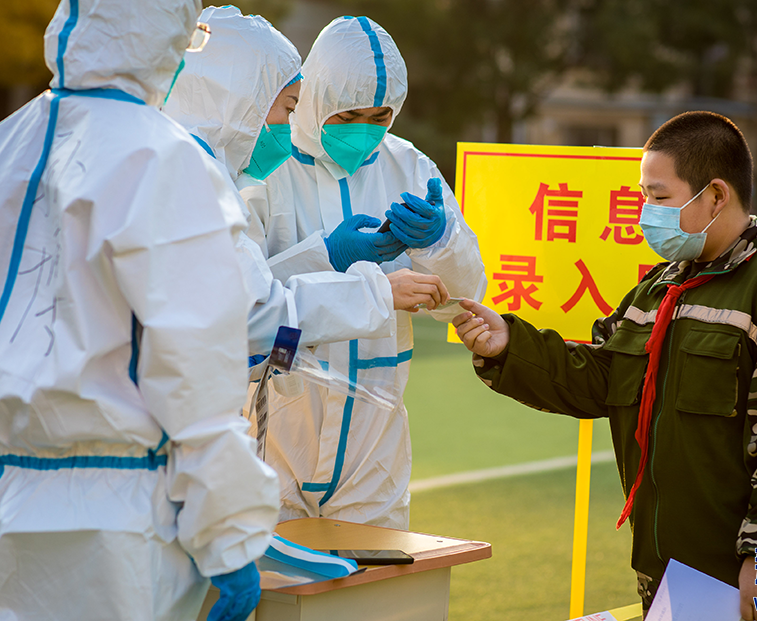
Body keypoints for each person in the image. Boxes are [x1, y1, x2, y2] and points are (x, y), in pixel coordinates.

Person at [454, 111, 757, 621]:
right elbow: (600, 377)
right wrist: (509, 345)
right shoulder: (658, 289)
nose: (646, 212)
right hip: (670, 574)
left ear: (716, 195)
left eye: (659, 197)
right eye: (643, 196)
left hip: (751, 580)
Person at [0, 1, 280, 620]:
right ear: (163, 32)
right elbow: (194, 366)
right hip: (118, 520)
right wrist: (230, 532)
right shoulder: (162, 155)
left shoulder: (10, 141)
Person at [243, 16, 487, 529]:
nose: (366, 129)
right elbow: (244, 300)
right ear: (314, 97)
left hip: (374, 436)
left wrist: (439, 243)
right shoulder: (265, 165)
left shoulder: (408, 166)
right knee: (273, 574)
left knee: (376, 576)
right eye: (349, 114)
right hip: (277, 420)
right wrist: (325, 255)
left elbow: (464, 300)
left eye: (380, 116)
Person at [164, 6, 450, 358]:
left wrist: (441, 241)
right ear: (245, 99)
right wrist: (368, 288)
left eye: (379, 117)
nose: (287, 125)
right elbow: (251, 318)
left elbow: (247, 311)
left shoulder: (183, 168)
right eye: (289, 108)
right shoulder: (199, 183)